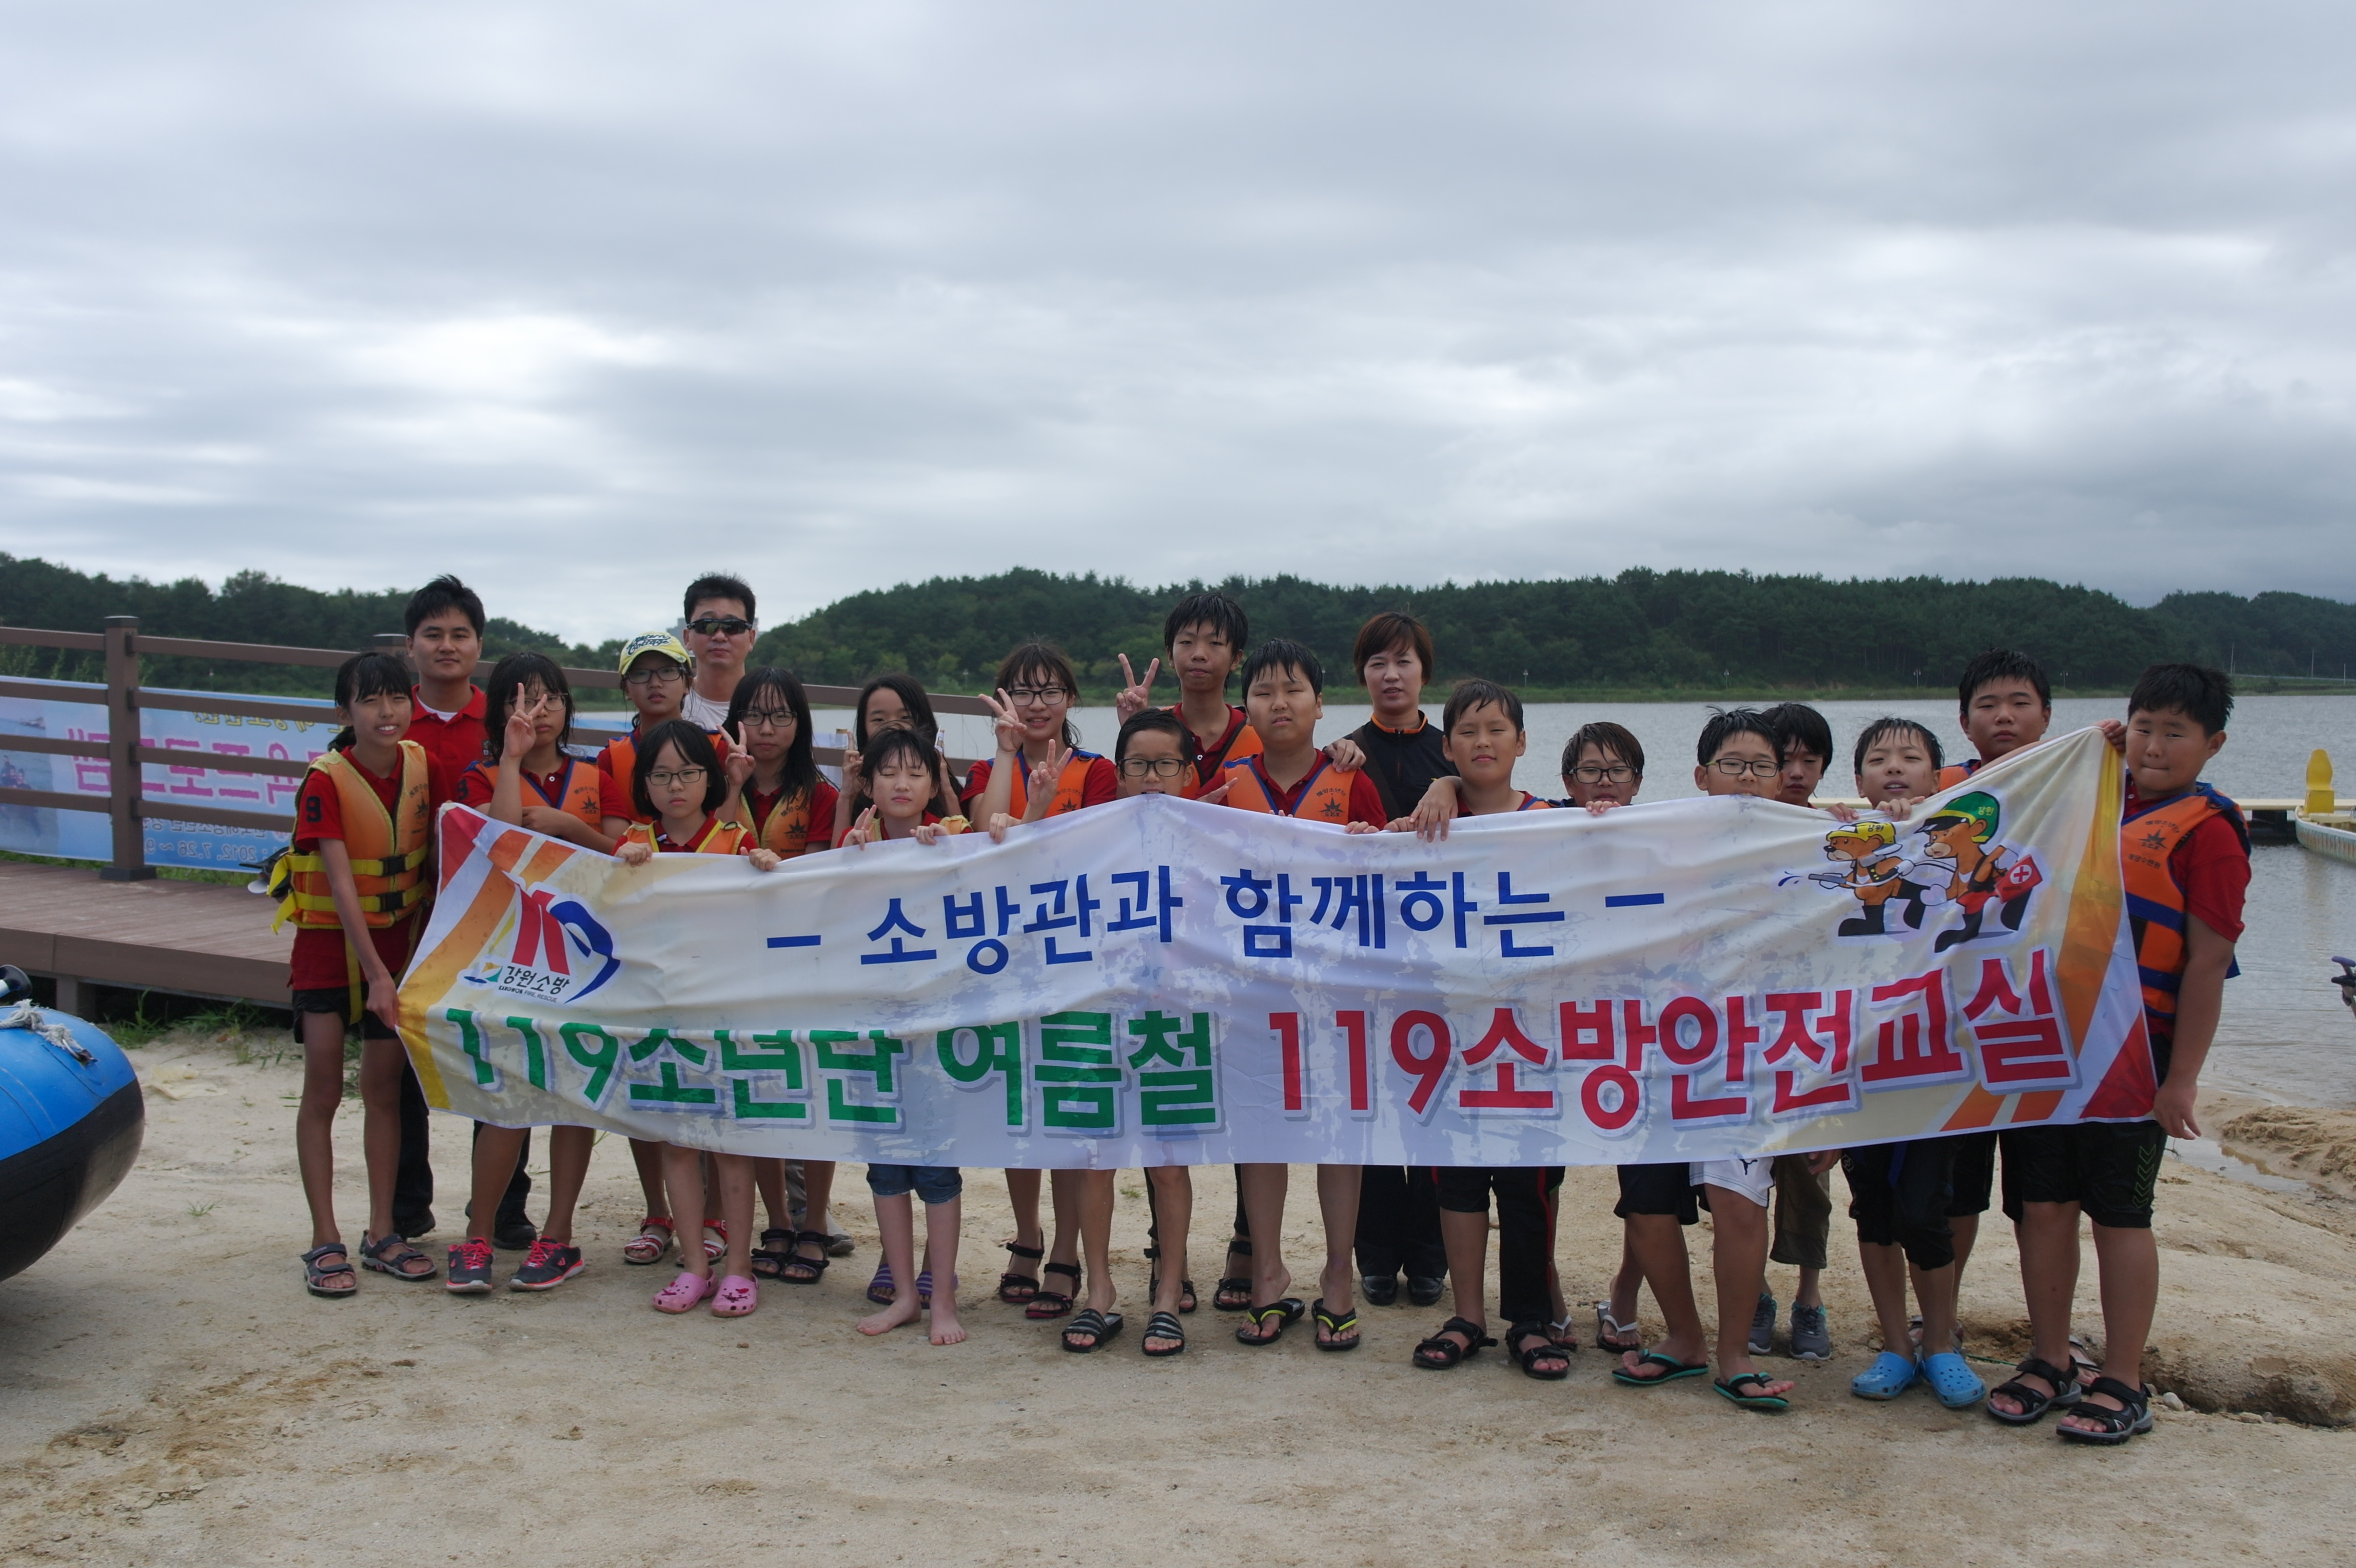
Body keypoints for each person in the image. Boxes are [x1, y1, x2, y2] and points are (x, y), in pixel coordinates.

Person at [1987, 665, 2247, 1444]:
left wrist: (2182, 1080)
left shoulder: (2210, 830)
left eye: (2175, 733)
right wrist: (2085, 747)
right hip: (2047, 1043)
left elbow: (2208, 963)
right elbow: (1995, 796)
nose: (2154, 747)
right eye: (2143, 728)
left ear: (2212, 744)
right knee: (2042, 1207)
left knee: (2120, 1215)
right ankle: (2049, 1357)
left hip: (2136, 1054)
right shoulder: (2087, 790)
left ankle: (2125, 1379)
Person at [1612, 709, 1822, 1412]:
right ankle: (1684, 1338)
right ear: (1701, 776)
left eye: (1762, 766)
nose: (1748, 778)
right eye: (1732, 765)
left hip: (1750, 1055)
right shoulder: (1661, 844)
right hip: (1656, 1050)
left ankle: (1735, 1353)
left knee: (1738, 1202)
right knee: (1646, 1207)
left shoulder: (1807, 848)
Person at [1386, 681, 1568, 1378]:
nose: (1482, 742)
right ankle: (1467, 1316)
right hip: (1452, 1037)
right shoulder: (1428, 822)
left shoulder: (1553, 821)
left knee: (1527, 1189)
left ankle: (1530, 1320)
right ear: (1447, 745)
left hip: (1531, 1038)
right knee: (1456, 1181)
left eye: (1496, 729)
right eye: (1467, 731)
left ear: (1521, 742)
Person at [1212, 637, 1383, 1349]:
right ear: (1246, 707)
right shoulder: (1226, 786)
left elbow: (1389, 877)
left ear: (1320, 704)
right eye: (1263, 692)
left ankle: (1338, 1274)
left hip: (1335, 994)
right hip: (1251, 994)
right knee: (1260, 1136)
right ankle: (1268, 1273)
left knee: (1338, 1135)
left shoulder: (1351, 780)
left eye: (1293, 690)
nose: (1278, 703)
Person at [281, 653, 452, 1298]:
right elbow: (341, 884)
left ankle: (383, 1231)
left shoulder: (422, 765)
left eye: (397, 698)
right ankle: (324, 1236)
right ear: (344, 711)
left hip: (399, 947)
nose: (387, 712)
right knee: (323, 1090)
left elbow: (439, 856)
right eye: (370, 700)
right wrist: (378, 976)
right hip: (329, 952)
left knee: (383, 1090)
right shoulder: (324, 779)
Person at [1034, 708, 1203, 1355]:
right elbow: (1030, 868)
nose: (1151, 777)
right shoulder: (1092, 834)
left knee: (1168, 1164)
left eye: (1165, 764)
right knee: (1095, 1159)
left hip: (1174, 1018)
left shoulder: (1211, 838)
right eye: (1138, 764)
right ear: (1120, 772)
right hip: (1098, 1011)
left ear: (1187, 773)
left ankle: (1167, 1292)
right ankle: (1099, 1291)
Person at [600, 722, 781, 1316]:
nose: (675, 785)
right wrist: (620, 868)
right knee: (676, 1143)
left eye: (687, 772)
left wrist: (766, 864)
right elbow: (603, 911)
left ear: (710, 778)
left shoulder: (733, 840)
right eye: (660, 774)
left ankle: (739, 1267)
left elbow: (770, 903)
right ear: (644, 784)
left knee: (730, 1143)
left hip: (723, 1013)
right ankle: (695, 1264)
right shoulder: (633, 843)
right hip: (659, 1015)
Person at [960, 642, 1118, 1321]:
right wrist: (1005, 756)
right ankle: (1026, 1235)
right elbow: (980, 834)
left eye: (1049, 690)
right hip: (1005, 956)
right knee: (1018, 1108)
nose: (1035, 703)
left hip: (1074, 956)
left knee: (1069, 1107)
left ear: (1071, 699)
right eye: (1021, 690)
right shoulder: (984, 768)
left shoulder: (1098, 770)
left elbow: (1098, 851)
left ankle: (1064, 1250)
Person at [448, 654, 610, 1291]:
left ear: (568, 707)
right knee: (506, 1097)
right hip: (511, 958)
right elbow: (496, 844)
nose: (538, 712)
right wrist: (511, 762)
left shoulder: (597, 777)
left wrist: (571, 827)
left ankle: (558, 1235)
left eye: (551, 699)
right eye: (523, 699)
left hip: (586, 957)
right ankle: (477, 1234)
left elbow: (625, 854)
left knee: (572, 1098)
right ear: (499, 711)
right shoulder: (480, 777)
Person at [1838, 717, 1986, 1408]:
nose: (1894, 768)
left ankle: (1942, 1341)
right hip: (1860, 1060)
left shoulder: (1957, 845)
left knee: (1927, 1207)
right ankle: (1896, 1344)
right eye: (1878, 759)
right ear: (1858, 778)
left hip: (1936, 1061)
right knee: (1872, 1207)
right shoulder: (1842, 844)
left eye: (1910, 757)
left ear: (1936, 772)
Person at [595, 631, 736, 1269]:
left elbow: (740, 851)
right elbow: (606, 865)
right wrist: (619, 853)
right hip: (650, 982)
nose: (655, 683)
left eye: (667, 672)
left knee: (718, 1101)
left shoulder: (716, 755)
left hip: (715, 984)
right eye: (641, 674)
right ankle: (660, 1212)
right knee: (649, 1100)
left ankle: (715, 1218)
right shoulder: (616, 768)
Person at [1332, 612, 1456, 1310]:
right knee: (1372, 1106)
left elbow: (1500, 814)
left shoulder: (1454, 751)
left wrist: (1453, 783)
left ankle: (1430, 1254)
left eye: (1403, 662)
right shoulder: (1343, 754)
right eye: (1377, 662)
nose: (1390, 675)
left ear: (1423, 672)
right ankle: (1375, 1254)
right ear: (1362, 675)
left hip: (1441, 964)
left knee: (1434, 1104)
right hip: (1366, 960)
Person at [389, 575, 512, 1244]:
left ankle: (503, 1210)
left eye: (459, 634)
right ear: (409, 646)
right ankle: (407, 1206)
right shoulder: (386, 717)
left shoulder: (503, 725)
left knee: (498, 1053)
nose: (446, 645)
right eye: (432, 634)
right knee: (404, 1053)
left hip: (490, 921)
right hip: (407, 917)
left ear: (478, 645)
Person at [717, 665, 848, 1287]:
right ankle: (776, 1220)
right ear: (735, 720)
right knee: (759, 1092)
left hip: (803, 964)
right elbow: (703, 849)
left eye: (780, 716)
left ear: (800, 724)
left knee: (814, 1092)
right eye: (754, 714)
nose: (766, 728)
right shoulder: (716, 782)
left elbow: (824, 874)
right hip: (735, 964)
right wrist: (729, 786)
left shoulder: (819, 794)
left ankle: (814, 1220)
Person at [1936, 650, 2056, 1300]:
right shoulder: (1944, 793)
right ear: (1964, 721)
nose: (2003, 716)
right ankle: (1940, 1319)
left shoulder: (2084, 777)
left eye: (2018, 703)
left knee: (2044, 1194)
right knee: (1959, 1186)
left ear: (2046, 714)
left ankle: (2051, 1341)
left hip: (2048, 1017)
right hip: (1963, 1016)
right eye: (1987, 705)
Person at [1552, 721, 1655, 1358]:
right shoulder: (1539, 830)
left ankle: (1624, 1293)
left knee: (1645, 1176)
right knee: (1541, 1174)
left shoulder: (1665, 838)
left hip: (1638, 1026)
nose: (1604, 783)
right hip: (1554, 1024)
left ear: (1638, 781)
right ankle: (1548, 1294)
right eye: (1590, 771)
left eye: (1618, 771)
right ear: (1568, 781)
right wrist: (1445, 784)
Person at [1751, 702, 1838, 1362]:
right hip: (1743, 1029)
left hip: (1812, 1030)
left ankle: (1808, 1296)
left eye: (1810, 760)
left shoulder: (1838, 835)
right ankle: (1754, 1294)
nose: (1796, 772)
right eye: (1784, 759)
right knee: (1745, 1173)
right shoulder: (1735, 832)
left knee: (1810, 1173)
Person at [1112, 590, 1260, 798]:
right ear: (1170, 655)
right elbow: (1125, 810)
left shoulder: (1261, 734)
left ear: (1236, 658)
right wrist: (1133, 729)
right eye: (1187, 642)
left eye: (1215, 643)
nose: (1199, 654)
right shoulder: (1153, 731)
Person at [831, 674, 964, 847]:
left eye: (905, 718)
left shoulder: (941, 791)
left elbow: (967, 847)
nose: (892, 727)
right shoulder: (864, 787)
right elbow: (834, 858)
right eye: (879, 720)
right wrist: (847, 796)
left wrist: (945, 790)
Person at [679, 573, 759, 730]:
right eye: (706, 626)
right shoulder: (671, 705)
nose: (720, 636)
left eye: (733, 627)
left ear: (751, 638)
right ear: (687, 638)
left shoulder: (771, 706)